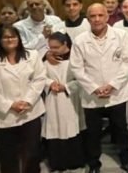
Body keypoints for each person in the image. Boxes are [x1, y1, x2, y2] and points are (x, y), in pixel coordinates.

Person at [70, 4, 128, 173]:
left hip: (116, 93)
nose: (97, 19)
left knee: (121, 129)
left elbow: (127, 62)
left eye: (101, 15)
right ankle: (94, 164)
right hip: (92, 96)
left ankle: (125, 159)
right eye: (93, 16)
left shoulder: (120, 35)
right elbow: (76, 68)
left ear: (107, 17)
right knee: (93, 132)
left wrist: (112, 85)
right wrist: (94, 88)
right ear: (88, 19)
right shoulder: (80, 40)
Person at [0, 26, 47, 173]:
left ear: (19, 38)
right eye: (6, 37)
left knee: (32, 153)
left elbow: (39, 79)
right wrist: (10, 105)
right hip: (4, 115)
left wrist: (27, 101)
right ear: (0, 40)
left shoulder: (32, 56)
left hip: (30, 112)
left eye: (13, 36)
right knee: (7, 154)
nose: (10, 40)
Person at [42, 32, 86, 172]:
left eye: (56, 47)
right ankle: (57, 162)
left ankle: (74, 161)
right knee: (55, 128)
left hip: (71, 99)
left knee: (72, 127)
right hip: (53, 99)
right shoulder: (46, 59)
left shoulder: (76, 59)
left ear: (65, 44)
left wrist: (66, 87)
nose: (52, 50)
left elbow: (82, 79)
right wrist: (50, 84)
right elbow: (40, 77)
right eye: (50, 47)